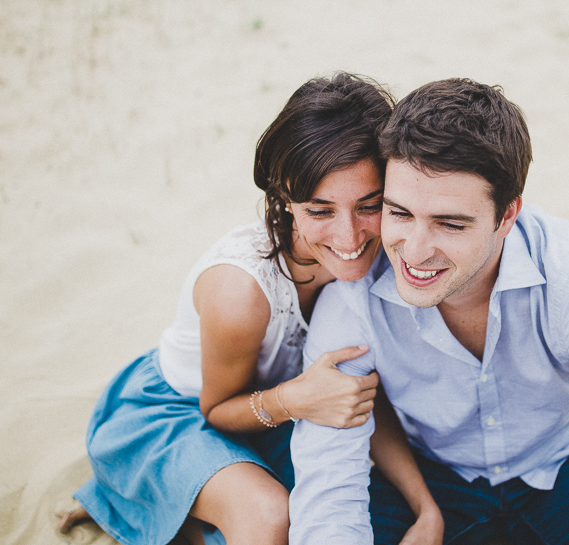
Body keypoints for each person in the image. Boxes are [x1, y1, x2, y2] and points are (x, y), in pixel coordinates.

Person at [288, 78, 569, 545]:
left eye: (450, 223)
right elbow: (328, 494)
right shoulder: (352, 297)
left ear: (508, 215)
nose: (413, 251)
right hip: (435, 473)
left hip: (566, 463)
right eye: (399, 213)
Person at [58, 72, 426, 545]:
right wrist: (294, 400)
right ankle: (137, 497)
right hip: (180, 412)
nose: (349, 236)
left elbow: (359, 396)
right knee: (269, 516)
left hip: (279, 409)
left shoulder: (386, 259)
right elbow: (216, 409)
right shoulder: (241, 292)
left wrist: (425, 506)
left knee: (380, 515)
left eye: (369, 205)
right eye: (319, 211)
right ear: (285, 200)